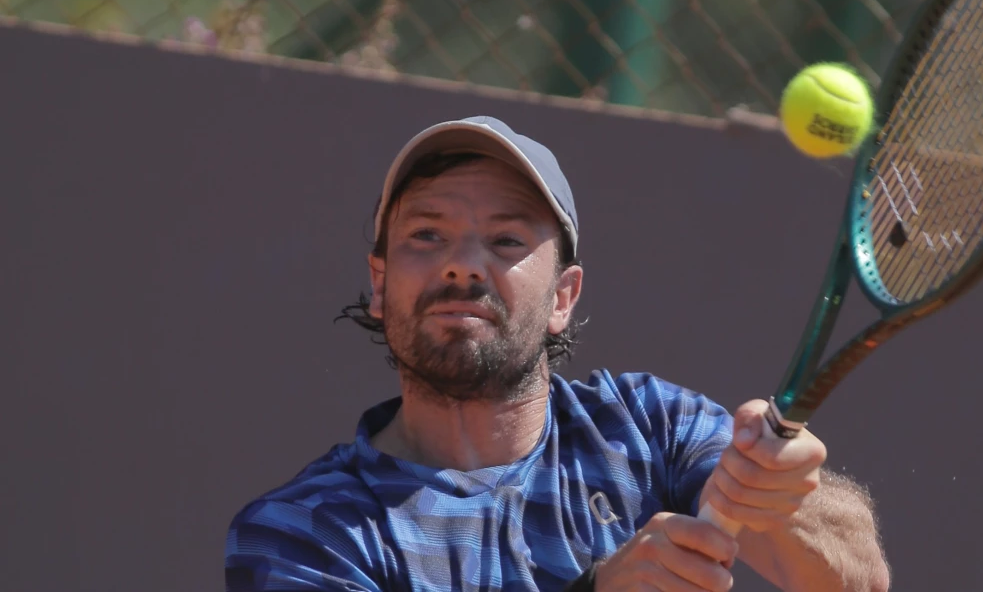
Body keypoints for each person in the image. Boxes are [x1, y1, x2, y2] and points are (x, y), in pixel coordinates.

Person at [224, 116, 891, 592]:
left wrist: (779, 502)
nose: (461, 265)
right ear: (379, 284)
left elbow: (857, 578)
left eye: (507, 240)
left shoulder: (648, 427)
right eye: (427, 234)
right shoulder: (304, 530)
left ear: (563, 297)